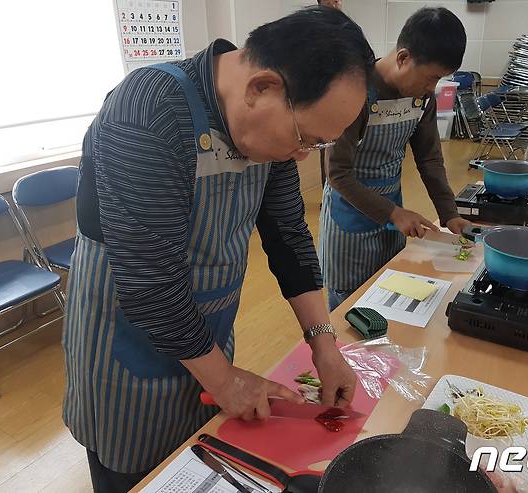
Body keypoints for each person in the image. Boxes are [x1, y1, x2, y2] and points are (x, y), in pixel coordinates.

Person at [62, 7, 374, 492]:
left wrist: (324, 345)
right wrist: (226, 381)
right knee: (137, 477)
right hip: (127, 350)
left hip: (206, 340)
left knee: (196, 465)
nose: (301, 154)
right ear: (262, 88)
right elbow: (150, 284)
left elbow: (289, 236)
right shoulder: (150, 109)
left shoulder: (267, 135)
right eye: (305, 138)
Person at [318, 7, 471, 311]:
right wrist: (394, 213)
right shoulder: (356, 91)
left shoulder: (422, 97)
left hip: (392, 216)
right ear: (403, 58)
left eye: (440, 80)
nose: (432, 88)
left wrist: (449, 214)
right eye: (430, 78)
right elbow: (338, 174)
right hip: (348, 220)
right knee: (351, 311)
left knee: (387, 297)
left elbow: (429, 159)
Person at [317, 0, 344, 189]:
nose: (336, 4)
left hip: (340, 95)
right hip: (322, 95)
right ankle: (328, 187)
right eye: (331, 1)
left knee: (339, 143)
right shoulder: (314, 27)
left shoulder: (344, 27)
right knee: (323, 144)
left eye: (338, 0)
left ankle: (339, 184)